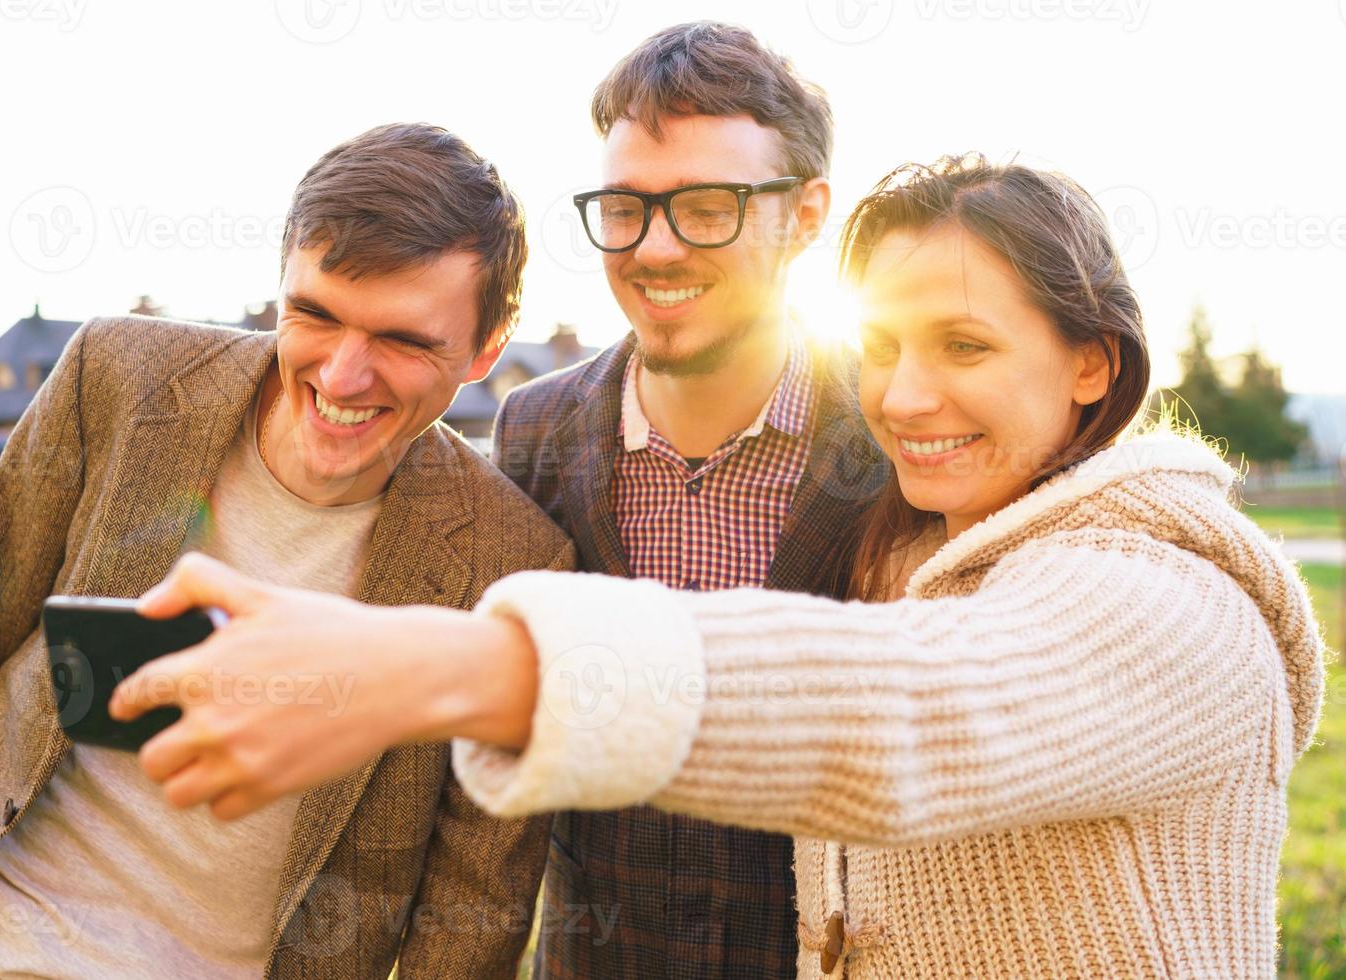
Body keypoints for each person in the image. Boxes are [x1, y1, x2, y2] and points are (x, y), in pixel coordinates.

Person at [111, 154, 1325, 979]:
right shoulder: (915, 545)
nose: (903, 396)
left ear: (1092, 365)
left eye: (964, 344)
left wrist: (441, 663)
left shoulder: (1174, 597)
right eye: (884, 345)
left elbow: (903, 705)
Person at [0, 122, 573, 979]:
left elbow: (472, 911)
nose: (341, 377)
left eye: (404, 341)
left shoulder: (516, 566)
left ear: (488, 348)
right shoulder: (115, 376)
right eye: (315, 315)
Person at [486, 21, 882, 976]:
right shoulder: (533, 436)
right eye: (625, 206)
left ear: (806, 214)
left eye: (707, 205)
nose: (654, 248)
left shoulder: (897, 436)